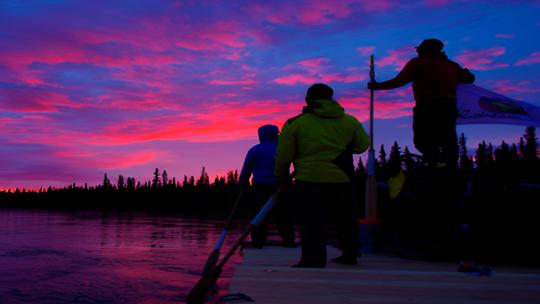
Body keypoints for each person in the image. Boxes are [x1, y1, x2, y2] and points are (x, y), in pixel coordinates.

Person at [275, 83, 369, 268]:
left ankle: (313, 259)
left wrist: (281, 176)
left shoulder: (296, 123)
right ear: (331, 98)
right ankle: (349, 254)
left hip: (309, 179)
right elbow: (362, 146)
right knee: (346, 218)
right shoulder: (349, 121)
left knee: (312, 220)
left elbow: (284, 155)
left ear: (308, 99)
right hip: (342, 177)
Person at [368, 38, 475, 169]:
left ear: (424, 50)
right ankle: (449, 166)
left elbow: (399, 81)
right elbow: (469, 78)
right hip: (449, 106)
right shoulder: (451, 65)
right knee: (448, 138)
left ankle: (436, 163)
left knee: (422, 140)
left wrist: (376, 86)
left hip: (427, 106)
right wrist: (465, 73)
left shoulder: (418, 63)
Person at [239, 124, 295, 248]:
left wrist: (242, 184)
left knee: (258, 215)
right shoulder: (283, 149)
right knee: (283, 216)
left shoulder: (255, 150)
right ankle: (289, 241)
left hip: (260, 188)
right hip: (281, 187)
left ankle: (257, 242)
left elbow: (246, 170)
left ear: (262, 135)